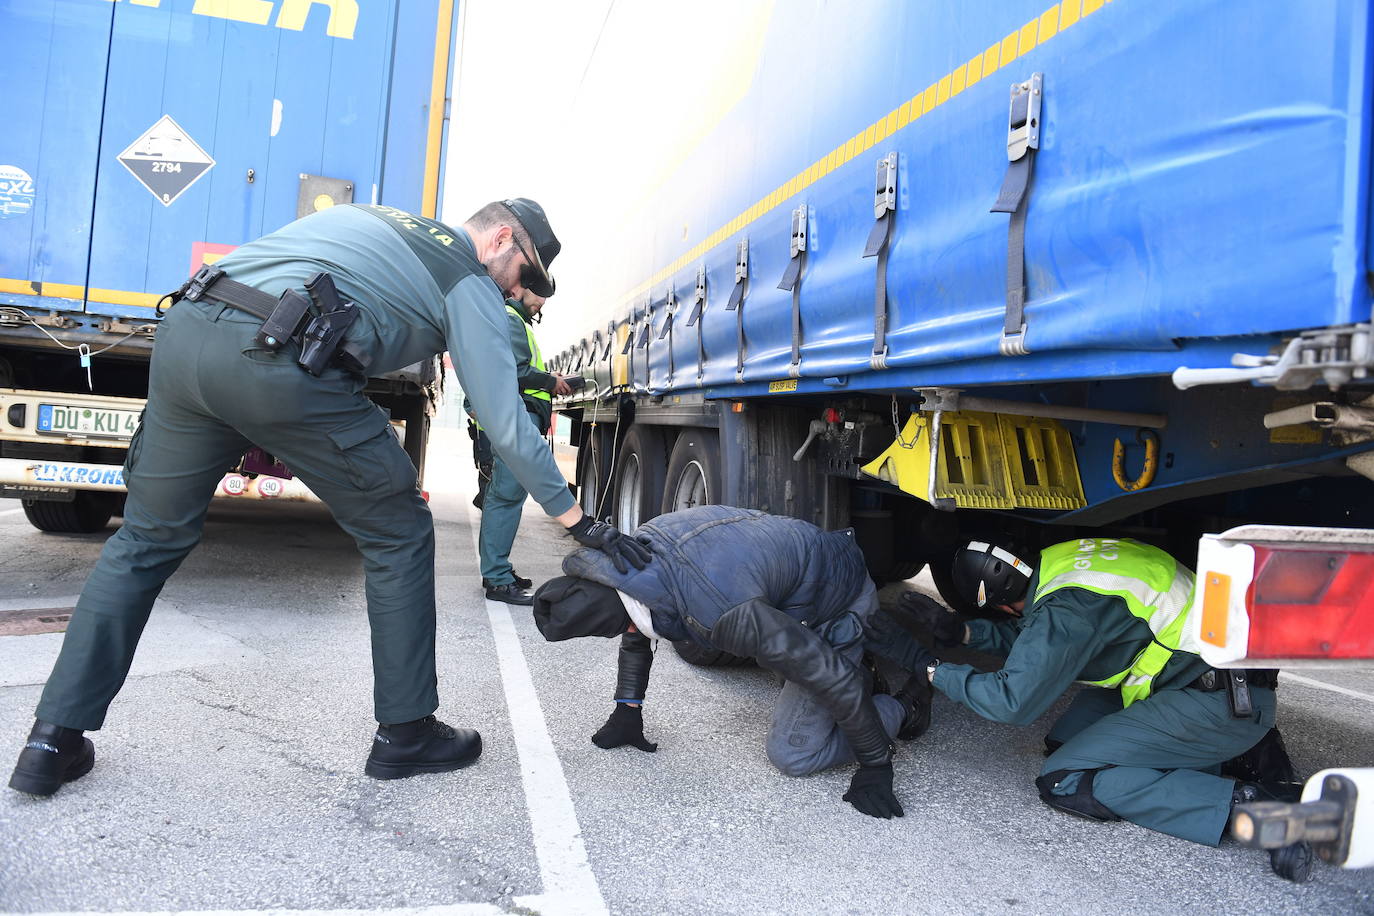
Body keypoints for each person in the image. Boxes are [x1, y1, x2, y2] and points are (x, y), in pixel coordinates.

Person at [8, 198, 650, 798]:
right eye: (523, 275)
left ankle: (51, 740)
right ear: (501, 238)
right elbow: (506, 421)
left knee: (145, 538)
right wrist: (579, 522)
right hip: (277, 359)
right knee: (399, 530)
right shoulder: (468, 278)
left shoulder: (376, 217)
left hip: (188, 332)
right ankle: (407, 733)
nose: (515, 292)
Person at [868, 537, 1308, 874]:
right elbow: (1040, 638)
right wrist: (964, 633)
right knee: (1065, 739)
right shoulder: (1064, 564)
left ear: (1003, 605)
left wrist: (931, 669)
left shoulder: (1063, 612)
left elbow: (1011, 701)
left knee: (1066, 778)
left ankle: (1259, 805)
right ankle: (1251, 750)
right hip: (1225, 682)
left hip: (1211, 703)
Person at [531, 504, 931, 820]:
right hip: (806, 572)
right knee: (791, 669)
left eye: (623, 626)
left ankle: (906, 706)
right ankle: (863, 673)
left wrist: (876, 765)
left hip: (837, 601)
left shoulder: (722, 612)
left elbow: (833, 675)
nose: (630, 632)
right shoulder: (634, 555)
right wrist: (627, 708)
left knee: (794, 754)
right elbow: (639, 626)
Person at [465, 287, 574, 605]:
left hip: (515, 419)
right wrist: (551, 382)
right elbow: (515, 370)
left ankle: (498, 571)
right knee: (505, 496)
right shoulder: (512, 318)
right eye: (538, 294)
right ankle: (497, 579)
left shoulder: (515, 319)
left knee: (505, 496)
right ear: (521, 288)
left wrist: (546, 378)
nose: (541, 302)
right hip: (516, 419)